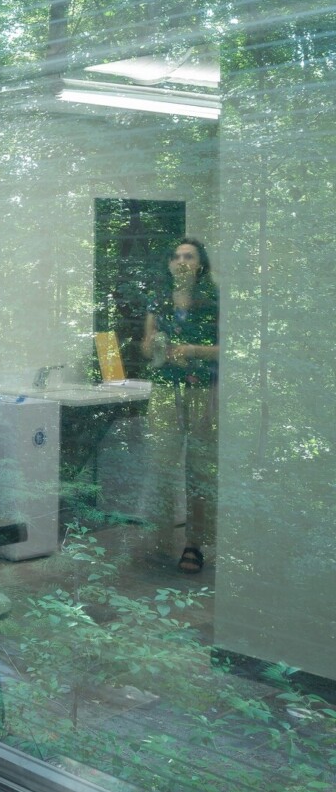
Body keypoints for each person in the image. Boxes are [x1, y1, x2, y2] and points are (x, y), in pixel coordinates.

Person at [142, 237, 219, 574]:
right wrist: (154, 347)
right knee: (161, 466)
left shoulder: (215, 300)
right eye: (175, 256)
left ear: (200, 265)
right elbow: (147, 347)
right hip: (164, 390)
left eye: (189, 256)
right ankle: (160, 541)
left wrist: (190, 350)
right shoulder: (158, 300)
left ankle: (195, 544)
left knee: (200, 469)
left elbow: (229, 349)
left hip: (204, 390)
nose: (181, 261)